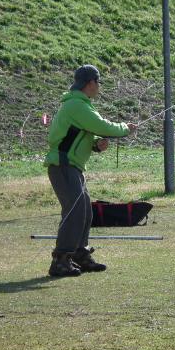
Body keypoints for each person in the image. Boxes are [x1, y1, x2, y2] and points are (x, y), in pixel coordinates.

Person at [44, 65, 137, 277]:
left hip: (72, 167)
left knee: (85, 211)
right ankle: (60, 260)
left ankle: (80, 255)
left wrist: (95, 144)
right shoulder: (77, 105)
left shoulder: (79, 104)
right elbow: (101, 125)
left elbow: (79, 134)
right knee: (74, 212)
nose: (99, 86)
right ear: (91, 82)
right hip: (63, 166)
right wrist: (125, 128)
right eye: (98, 82)